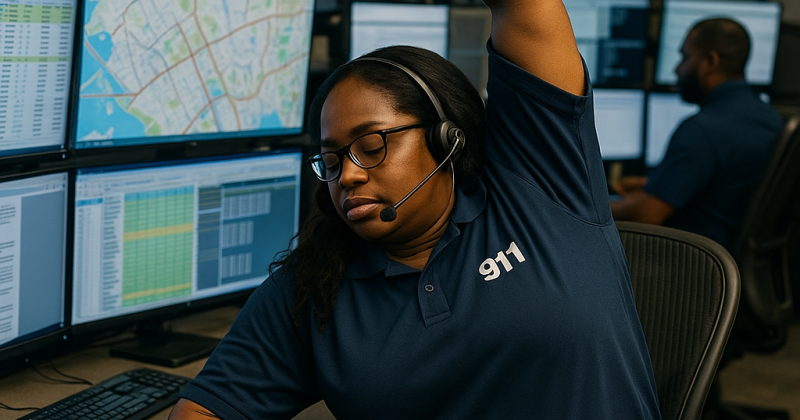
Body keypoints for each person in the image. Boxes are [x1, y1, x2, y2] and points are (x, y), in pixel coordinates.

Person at [169, 0, 661, 418]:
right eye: (333, 159)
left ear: (445, 138)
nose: (349, 175)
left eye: (372, 144)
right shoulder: (316, 282)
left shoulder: (540, 184)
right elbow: (203, 407)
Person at [610, 18, 784, 250]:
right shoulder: (769, 118)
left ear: (710, 62)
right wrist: (652, 184)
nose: (677, 69)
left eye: (685, 57)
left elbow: (644, 216)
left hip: (691, 268)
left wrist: (591, 206)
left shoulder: (704, 130)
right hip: (734, 262)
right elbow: (723, 183)